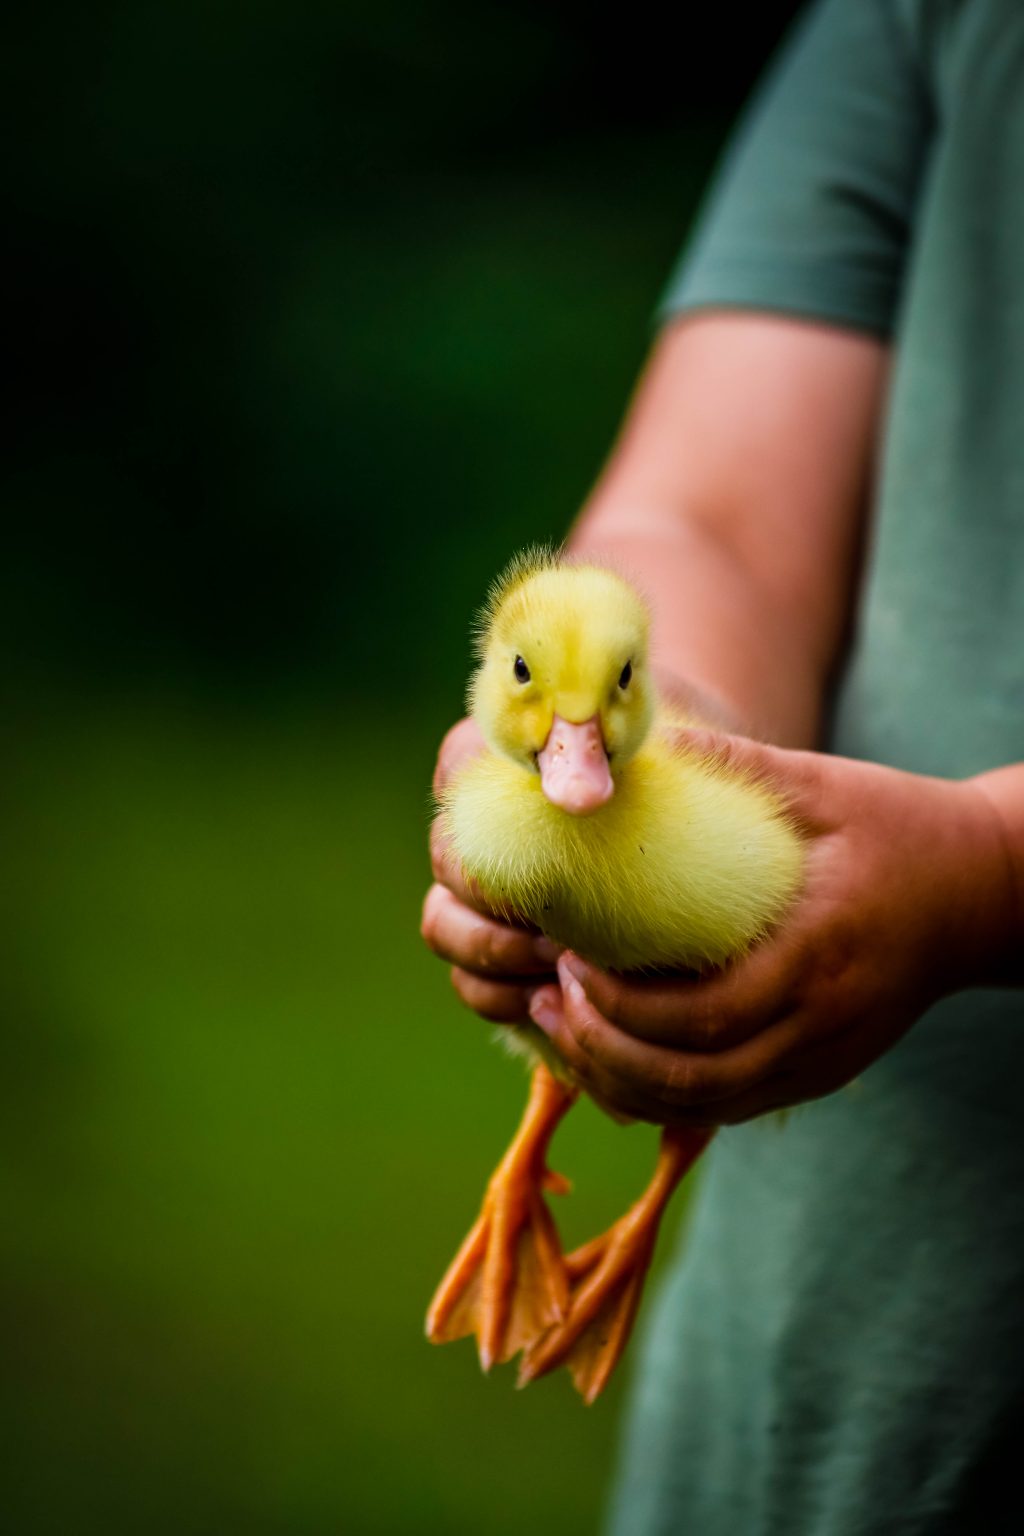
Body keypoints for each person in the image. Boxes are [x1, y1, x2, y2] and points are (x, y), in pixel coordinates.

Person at [421, 0, 1024, 1529]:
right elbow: (706, 522)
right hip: (803, 1397)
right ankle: (535, 1160)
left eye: (602, 702)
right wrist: (672, 697)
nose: (573, 747)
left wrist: (989, 873)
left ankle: (641, 1197)